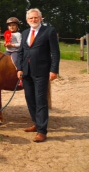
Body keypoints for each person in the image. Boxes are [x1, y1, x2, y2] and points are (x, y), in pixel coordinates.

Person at [17, 8, 60, 143]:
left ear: (41, 18)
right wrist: (19, 68)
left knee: (41, 100)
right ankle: (36, 123)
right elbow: (21, 52)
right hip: (26, 72)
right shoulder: (24, 33)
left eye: (36, 18)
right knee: (30, 99)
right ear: (27, 20)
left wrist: (54, 70)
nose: (33, 20)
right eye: (31, 18)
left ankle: (42, 131)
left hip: (42, 71)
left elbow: (55, 52)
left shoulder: (49, 31)